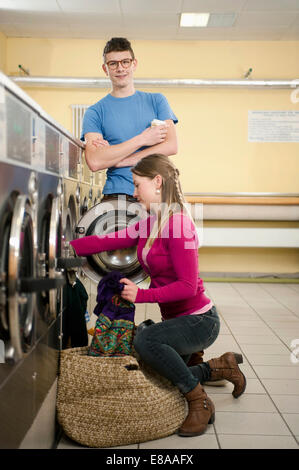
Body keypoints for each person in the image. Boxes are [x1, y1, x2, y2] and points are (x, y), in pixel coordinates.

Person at [70, 154, 247, 437]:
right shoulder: (150, 222)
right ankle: (216, 368)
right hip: (177, 322)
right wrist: (66, 247)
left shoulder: (179, 225)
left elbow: (188, 287)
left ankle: (198, 400)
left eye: (138, 185)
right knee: (147, 361)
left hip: (199, 322)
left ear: (157, 182)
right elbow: (108, 239)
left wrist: (140, 296)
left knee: (146, 340)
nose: (133, 192)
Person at [81, 37, 178, 200]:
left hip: (157, 192)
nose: (120, 68)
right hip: (118, 194)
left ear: (134, 64)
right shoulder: (95, 112)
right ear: (105, 69)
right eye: (113, 63)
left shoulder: (157, 101)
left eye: (125, 62)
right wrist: (143, 138)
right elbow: (95, 161)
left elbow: (171, 145)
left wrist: (119, 159)